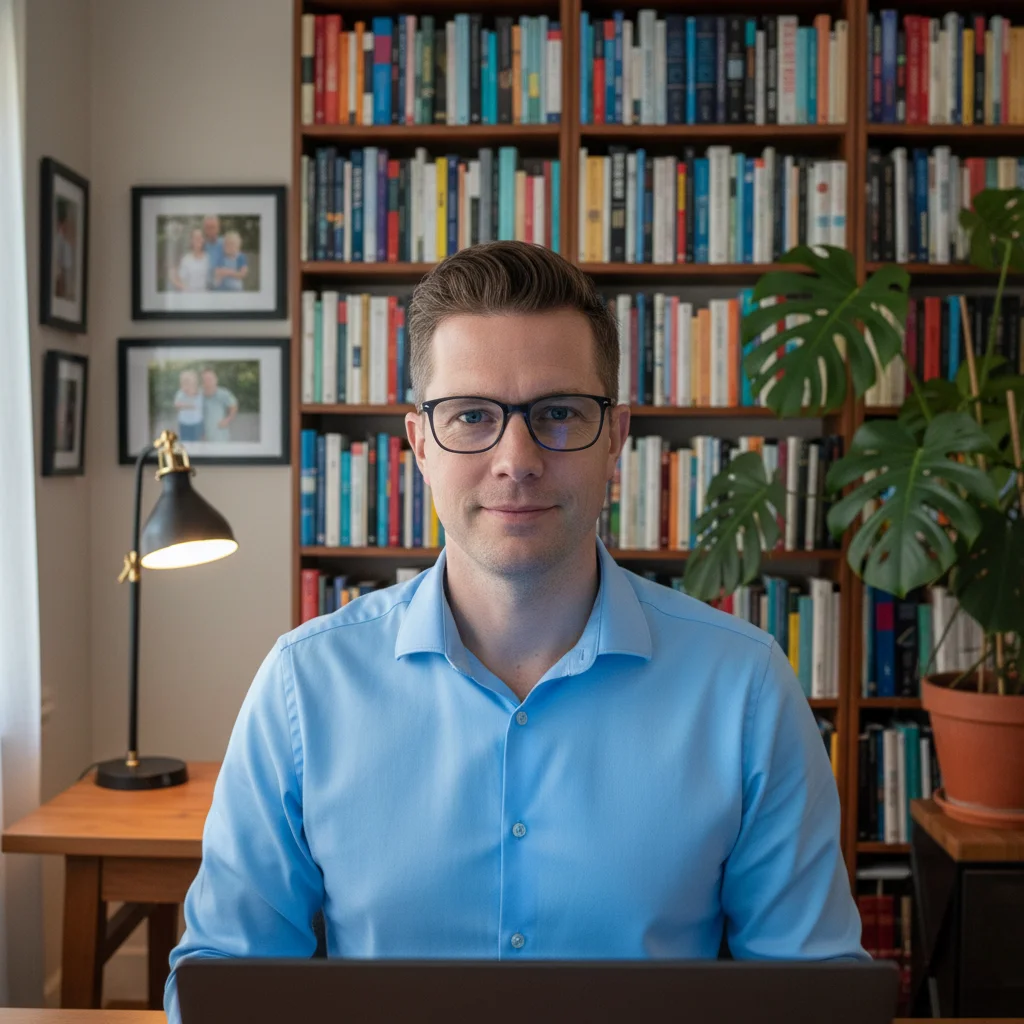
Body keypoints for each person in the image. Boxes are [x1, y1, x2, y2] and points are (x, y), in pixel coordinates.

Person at [164, 241, 866, 1024]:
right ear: (419, 443)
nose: (517, 459)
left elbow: (813, 999)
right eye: (471, 416)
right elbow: (225, 983)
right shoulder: (304, 687)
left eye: (559, 413)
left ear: (616, 438)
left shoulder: (744, 689)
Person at [199, 368, 238, 442]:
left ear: (216, 380)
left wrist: (228, 420)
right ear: (202, 382)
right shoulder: (197, 395)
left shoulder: (224, 393)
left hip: (220, 436)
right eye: (205, 380)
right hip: (202, 438)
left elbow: (234, 406)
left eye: (210, 379)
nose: (208, 382)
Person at [168, 228, 210, 292]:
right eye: (196, 238)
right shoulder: (186, 259)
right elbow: (181, 281)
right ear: (191, 241)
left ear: (203, 240)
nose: (198, 239)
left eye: (200, 237)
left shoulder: (208, 258)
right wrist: (173, 276)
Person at [172, 369, 204, 442]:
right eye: (184, 383)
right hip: (184, 422)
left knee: (197, 440)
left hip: (197, 422)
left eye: (189, 383)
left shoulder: (200, 393)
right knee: (185, 440)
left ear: (195, 383)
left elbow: (200, 405)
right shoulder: (180, 393)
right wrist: (186, 405)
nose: (186, 387)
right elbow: (176, 405)